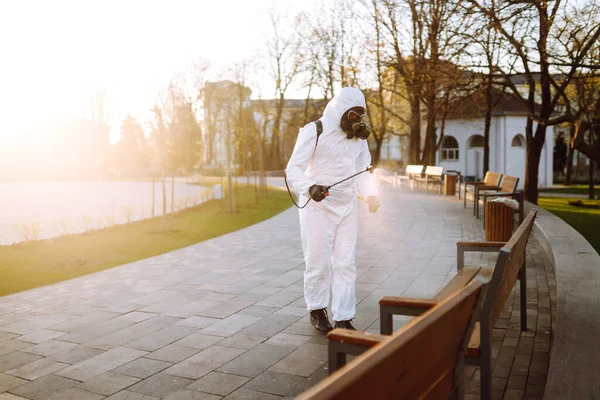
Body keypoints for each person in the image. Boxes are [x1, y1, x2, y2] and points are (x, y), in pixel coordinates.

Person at [285, 87, 379, 334]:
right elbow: (293, 168)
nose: (356, 120)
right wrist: (309, 187)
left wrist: (371, 195)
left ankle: (344, 316)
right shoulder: (314, 130)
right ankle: (317, 308)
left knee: (345, 262)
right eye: (352, 114)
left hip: (347, 206)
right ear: (340, 109)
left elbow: (364, 168)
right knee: (318, 261)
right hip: (318, 207)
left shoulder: (359, 139)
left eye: (360, 115)